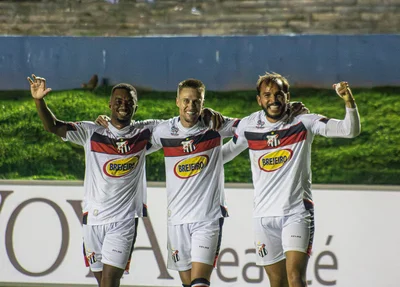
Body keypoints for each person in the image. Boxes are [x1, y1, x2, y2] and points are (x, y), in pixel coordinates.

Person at [222, 72, 361, 287]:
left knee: (295, 277)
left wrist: (348, 100)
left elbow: (349, 130)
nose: (273, 99)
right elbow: (226, 153)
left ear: (287, 96)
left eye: (278, 94)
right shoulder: (249, 126)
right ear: (259, 100)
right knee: (277, 282)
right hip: (263, 216)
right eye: (267, 95)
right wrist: (196, 158)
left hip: (296, 212)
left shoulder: (304, 121)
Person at [27, 74, 155, 287]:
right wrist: (39, 101)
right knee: (102, 281)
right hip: (93, 220)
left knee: (109, 281)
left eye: (128, 102)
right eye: (119, 101)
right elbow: (53, 126)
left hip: (123, 221)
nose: (123, 105)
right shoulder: (91, 132)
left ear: (136, 107)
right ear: (110, 105)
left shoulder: (144, 134)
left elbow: (179, 128)